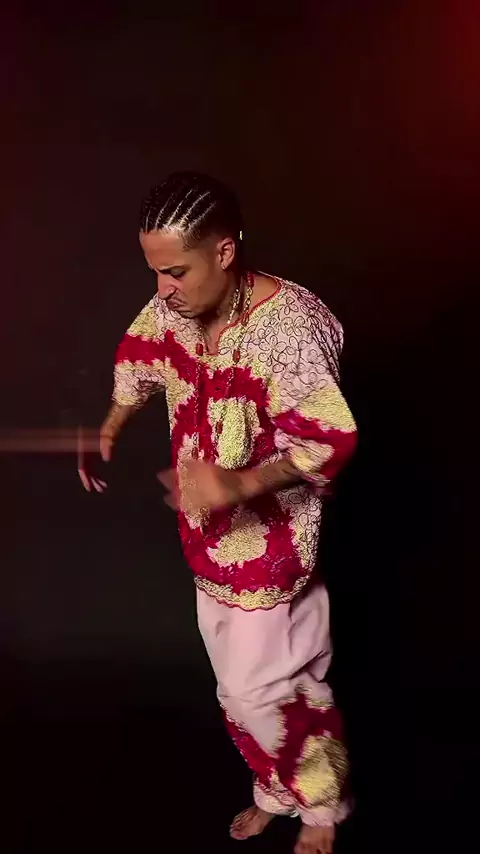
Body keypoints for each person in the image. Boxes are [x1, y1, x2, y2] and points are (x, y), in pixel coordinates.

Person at [79, 172, 357, 854]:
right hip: (207, 542)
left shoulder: (290, 330)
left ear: (225, 252)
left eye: (175, 271)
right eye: (155, 272)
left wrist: (236, 486)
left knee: (259, 692)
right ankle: (278, 791)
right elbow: (144, 352)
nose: (162, 289)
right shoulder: (177, 304)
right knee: (252, 691)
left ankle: (324, 802)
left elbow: (329, 440)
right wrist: (114, 421)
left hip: (274, 547)